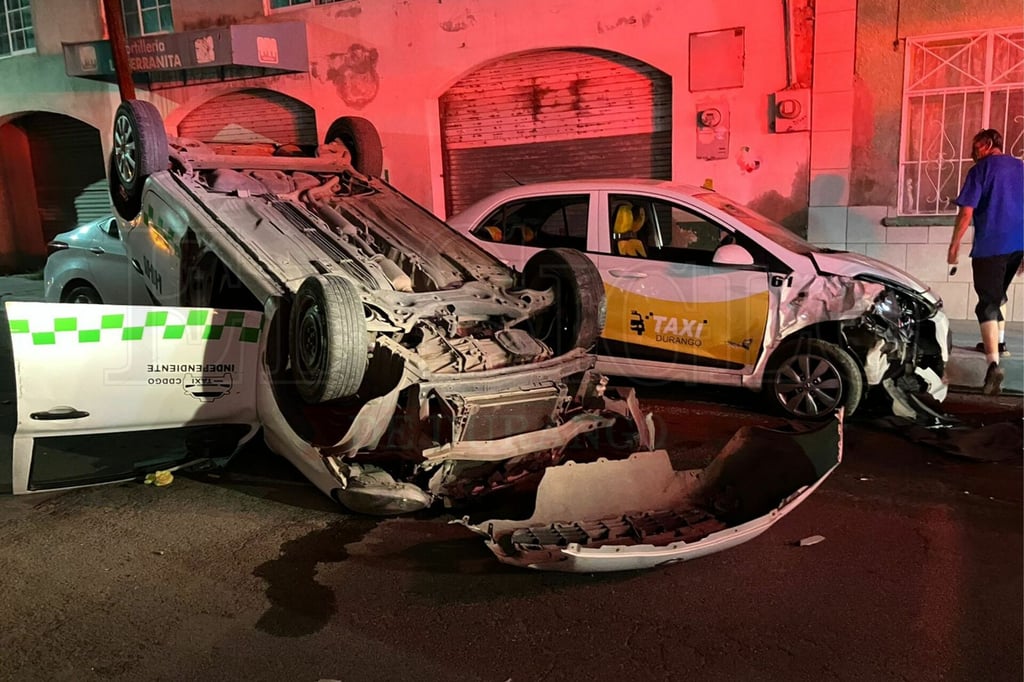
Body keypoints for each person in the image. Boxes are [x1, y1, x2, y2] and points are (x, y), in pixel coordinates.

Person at [948, 129, 1024, 395]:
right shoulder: (1020, 167)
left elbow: (966, 213)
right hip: (1018, 244)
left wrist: (954, 246)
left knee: (987, 304)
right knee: (999, 294)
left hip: (991, 245)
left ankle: (993, 366)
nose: (973, 151)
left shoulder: (980, 171)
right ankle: (999, 343)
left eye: (975, 145)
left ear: (987, 144)